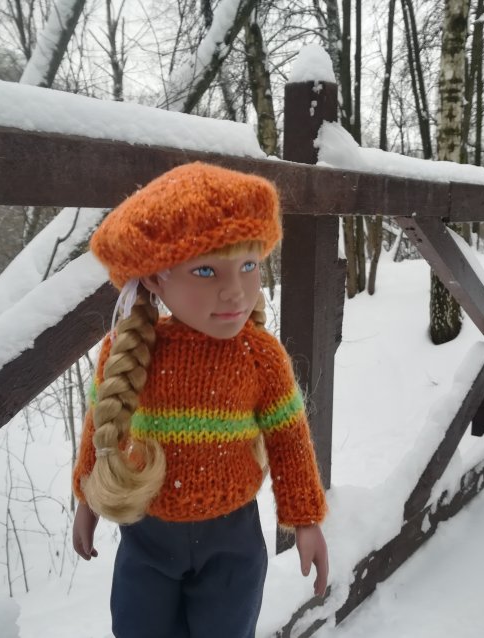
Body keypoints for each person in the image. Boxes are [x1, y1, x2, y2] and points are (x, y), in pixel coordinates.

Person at [71, 162, 329, 638]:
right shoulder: (130, 351)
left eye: (249, 265)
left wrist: (306, 519)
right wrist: (88, 497)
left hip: (233, 541)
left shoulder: (261, 356)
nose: (235, 291)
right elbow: (103, 422)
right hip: (146, 534)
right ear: (155, 278)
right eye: (205, 270)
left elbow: (289, 439)